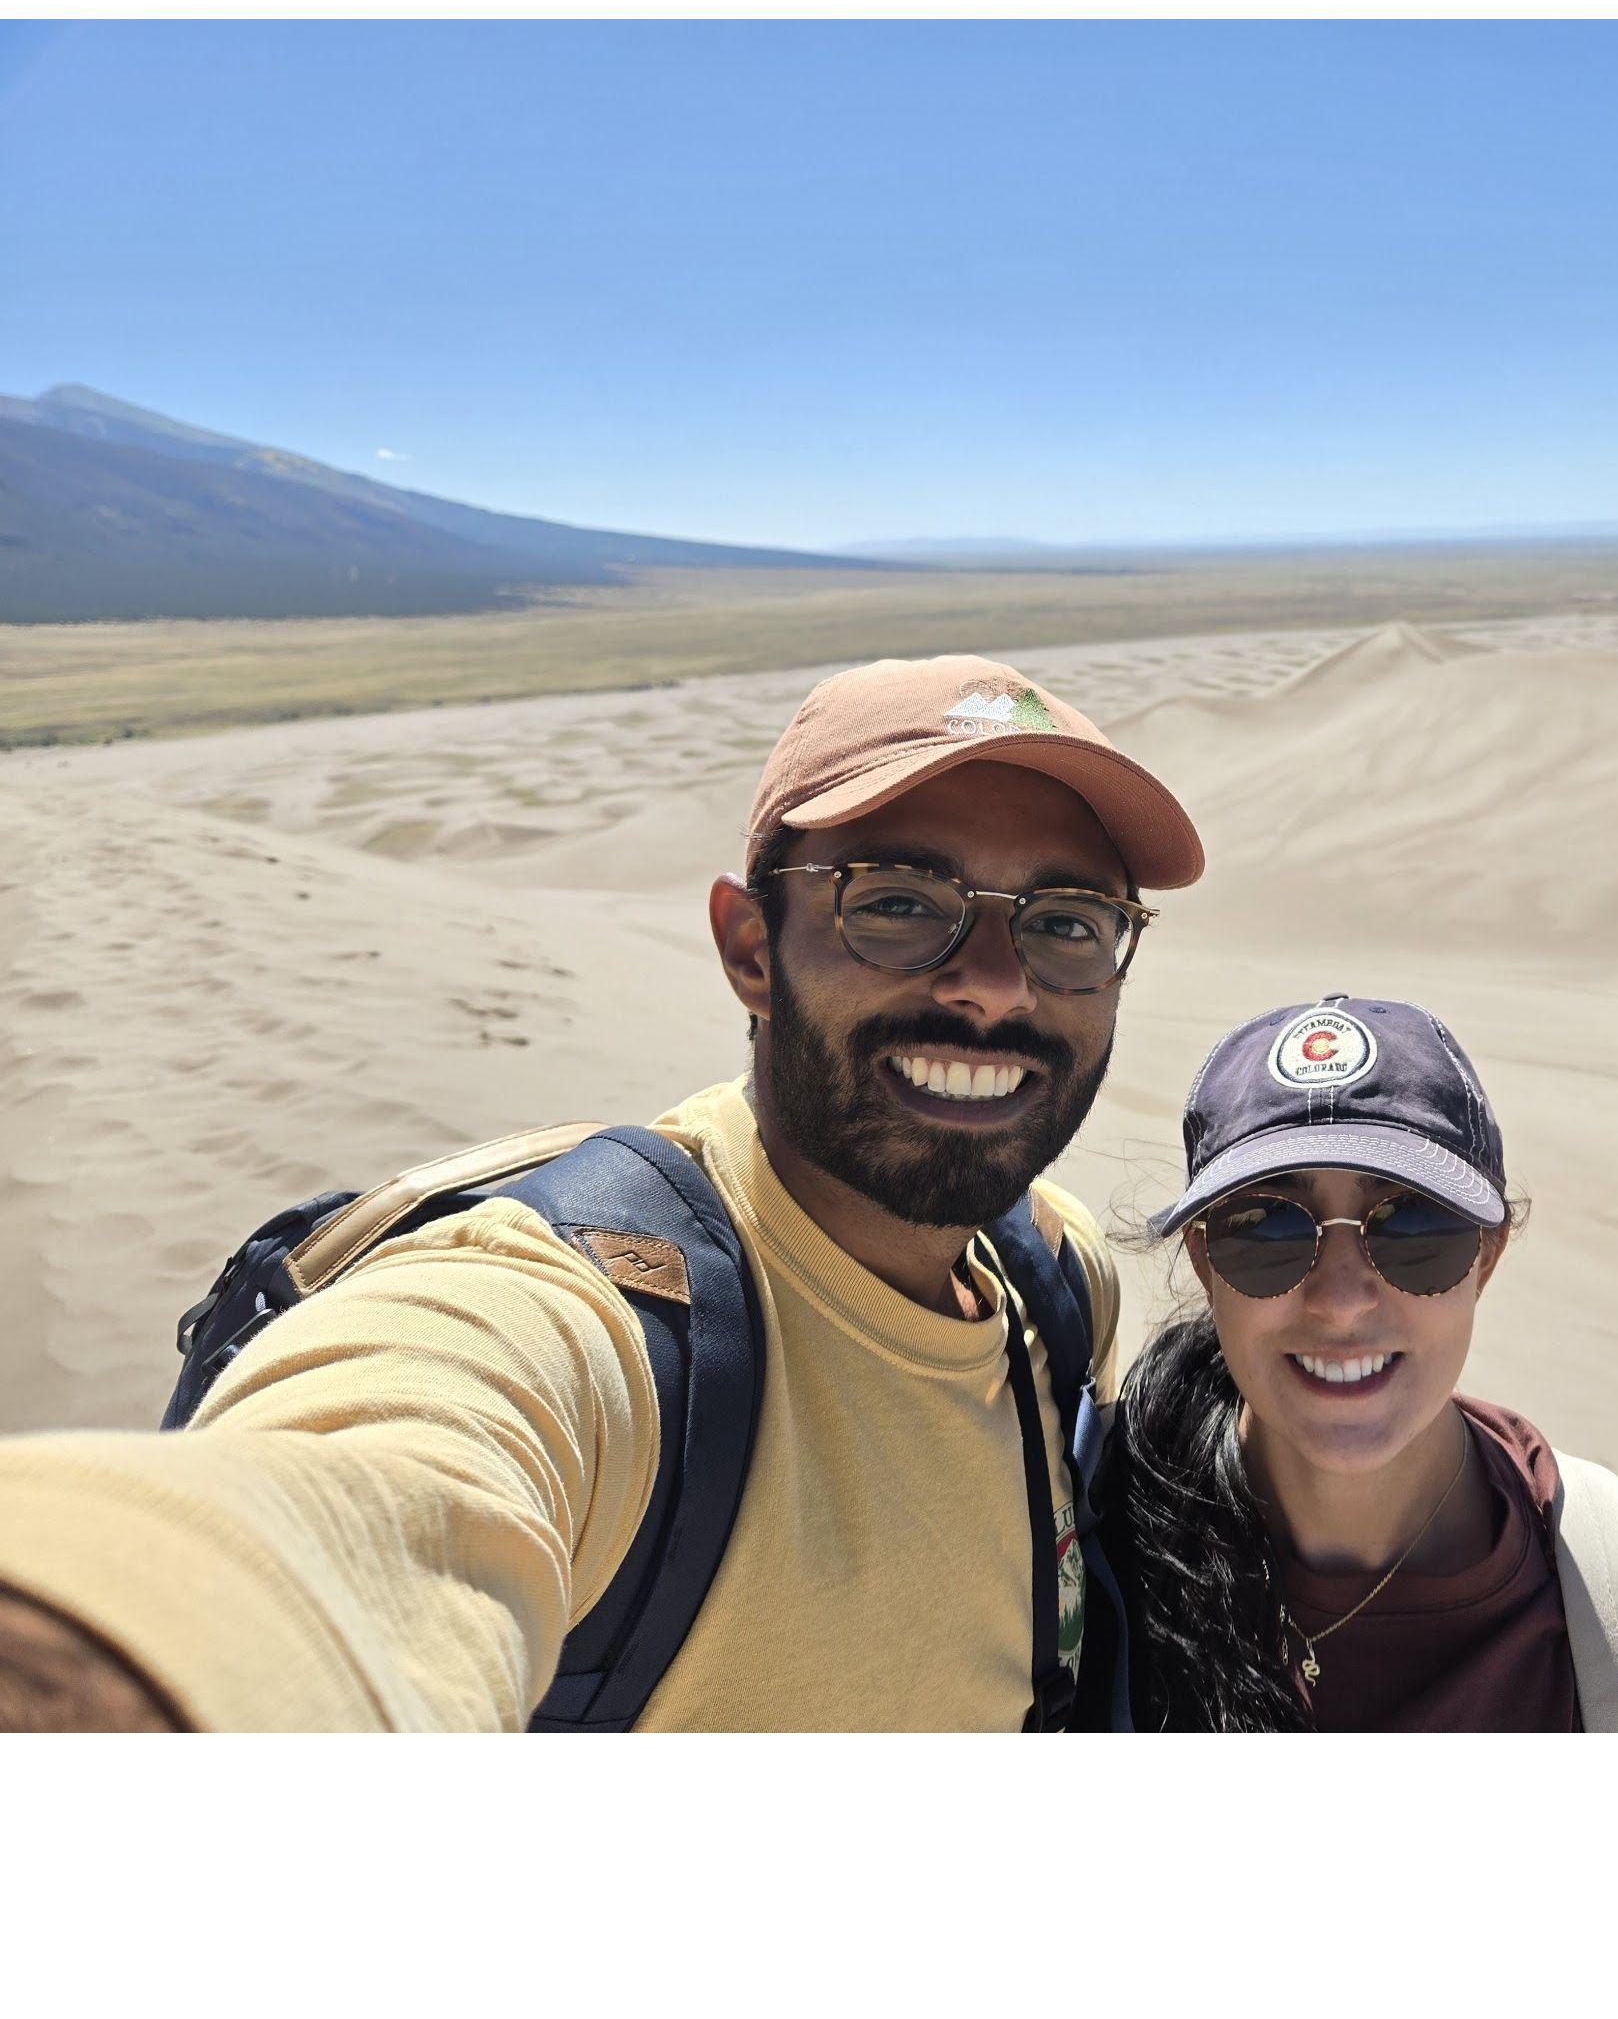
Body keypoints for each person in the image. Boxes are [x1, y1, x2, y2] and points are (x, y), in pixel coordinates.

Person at [0, 655, 1201, 1731]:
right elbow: (365, 1493)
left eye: (1067, 922)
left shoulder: (1054, 1277)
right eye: (897, 904)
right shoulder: (596, 1318)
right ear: (750, 950)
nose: (994, 987)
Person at [1081, 994, 1618, 1731]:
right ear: (1206, 1265)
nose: (1340, 1302)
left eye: (1414, 1228)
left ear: (1486, 1259)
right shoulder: (1085, 1557)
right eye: (1265, 1229)